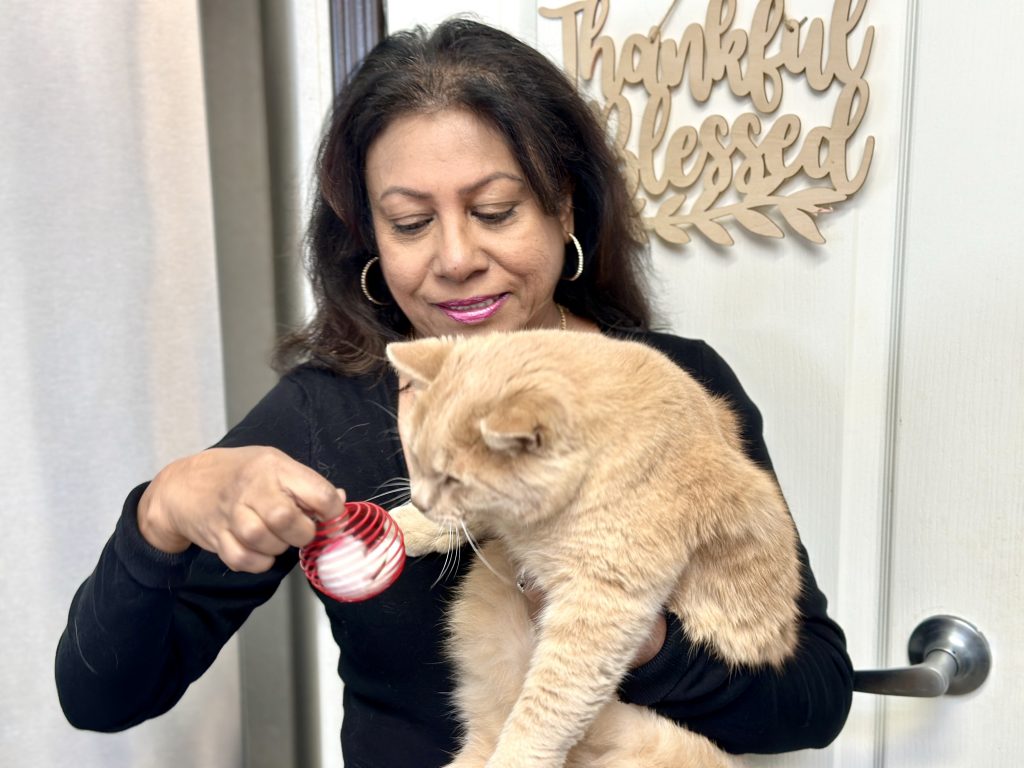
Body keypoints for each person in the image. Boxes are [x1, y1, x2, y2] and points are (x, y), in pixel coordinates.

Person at [55, 17, 853, 768]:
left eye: (495, 210)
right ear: (368, 236)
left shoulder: (673, 388)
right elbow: (101, 697)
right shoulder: (324, 412)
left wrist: (629, 635)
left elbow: (811, 699)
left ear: (565, 203)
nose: (457, 257)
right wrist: (161, 512)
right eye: (409, 223)